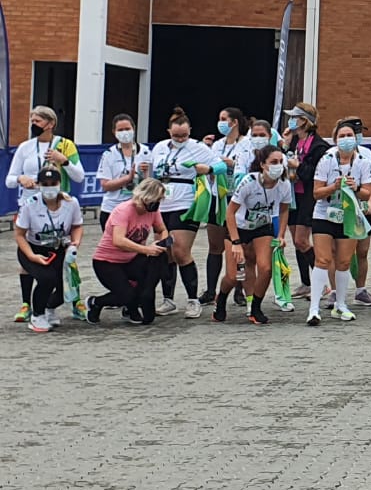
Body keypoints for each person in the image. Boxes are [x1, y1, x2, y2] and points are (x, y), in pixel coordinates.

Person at [7, 106, 85, 322]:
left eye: (38, 120)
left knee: (65, 253)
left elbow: (79, 176)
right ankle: (26, 304)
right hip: (30, 205)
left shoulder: (65, 145)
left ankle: (73, 299)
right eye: (32, 119)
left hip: (59, 205)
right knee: (28, 256)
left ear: (50, 124)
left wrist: (64, 160)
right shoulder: (25, 147)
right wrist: (21, 179)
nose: (33, 123)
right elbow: (9, 178)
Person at [147, 106, 217, 318]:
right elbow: (154, 171)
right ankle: (168, 299)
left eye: (184, 135)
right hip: (162, 201)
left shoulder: (198, 148)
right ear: (169, 131)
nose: (180, 139)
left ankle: (193, 299)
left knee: (179, 249)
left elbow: (221, 166)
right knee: (165, 251)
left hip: (186, 200)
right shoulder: (159, 147)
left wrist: (208, 169)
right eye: (176, 135)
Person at [309, 120, 371, 325]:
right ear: (335, 140)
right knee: (323, 260)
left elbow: (367, 193)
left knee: (345, 262)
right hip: (324, 214)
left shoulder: (363, 161)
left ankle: (341, 305)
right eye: (342, 136)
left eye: (349, 136)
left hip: (348, 215)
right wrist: (333, 187)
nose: (346, 139)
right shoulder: (326, 160)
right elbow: (316, 193)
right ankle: (314, 309)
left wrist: (355, 188)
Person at [218, 145, 292, 325]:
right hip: (238, 227)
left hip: (262, 227)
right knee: (233, 275)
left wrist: (281, 235)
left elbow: (284, 211)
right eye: (273, 162)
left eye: (281, 162)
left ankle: (256, 306)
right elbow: (230, 212)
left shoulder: (284, 185)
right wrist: (236, 242)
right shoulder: (249, 182)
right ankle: (220, 300)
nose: (278, 166)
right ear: (262, 165)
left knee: (265, 268)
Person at [88, 177, 170, 326]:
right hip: (107, 261)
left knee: (155, 266)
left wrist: (161, 242)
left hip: (131, 259)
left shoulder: (153, 211)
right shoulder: (123, 210)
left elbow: (162, 229)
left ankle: (132, 305)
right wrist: (146, 249)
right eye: (156, 199)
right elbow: (118, 241)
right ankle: (96, 302)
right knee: (126, 295)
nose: (157, 204)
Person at [14, 164, 84, 332]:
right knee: (47, 279)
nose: (50, 187)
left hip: (59, 248)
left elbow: (77, 226)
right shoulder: (30, 205)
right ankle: (37, 315)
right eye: (45, 184)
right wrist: (31, 256)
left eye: (53, 183)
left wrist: (75, 242)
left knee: (67, 289)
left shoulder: (71, 202)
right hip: (33, 248)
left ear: (60, 183)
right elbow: (19, 235)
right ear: (38, 185)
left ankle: (48, 308)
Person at [201, 106, 254, 306]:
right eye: (220, 118)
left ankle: (239, 289)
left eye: (224, 119)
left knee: (237, 246)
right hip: (218, 196)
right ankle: (210, 290)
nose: (221, 122)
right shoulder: (217, 145)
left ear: (235, 122)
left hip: (238, 197)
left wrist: (232, 164)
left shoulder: (247, 144)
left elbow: (250, 167)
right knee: (215, 245)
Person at [280, 102, 328, 300]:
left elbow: (313, 174)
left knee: (302, 240)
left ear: (304, 121)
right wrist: (283, 145)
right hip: (291, 194)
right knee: (297, 242)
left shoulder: (319, 146)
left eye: (295, 117)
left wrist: (297, 166)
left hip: (307, 196)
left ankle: (322, 282)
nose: (291, 121)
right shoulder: (292, 141)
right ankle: (306, 283)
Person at [95, 113, 152, 230]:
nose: (124, 132)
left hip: (137, 208)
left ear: (133, 129)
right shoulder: (108, 155)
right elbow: (105, 185)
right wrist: (127, 179)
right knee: (114, 245)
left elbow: (149, 183)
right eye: (120, 130)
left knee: (136, 245)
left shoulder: (146, 152)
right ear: (114, 132)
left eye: (127, 129)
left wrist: (145, 175)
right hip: (113, 208)